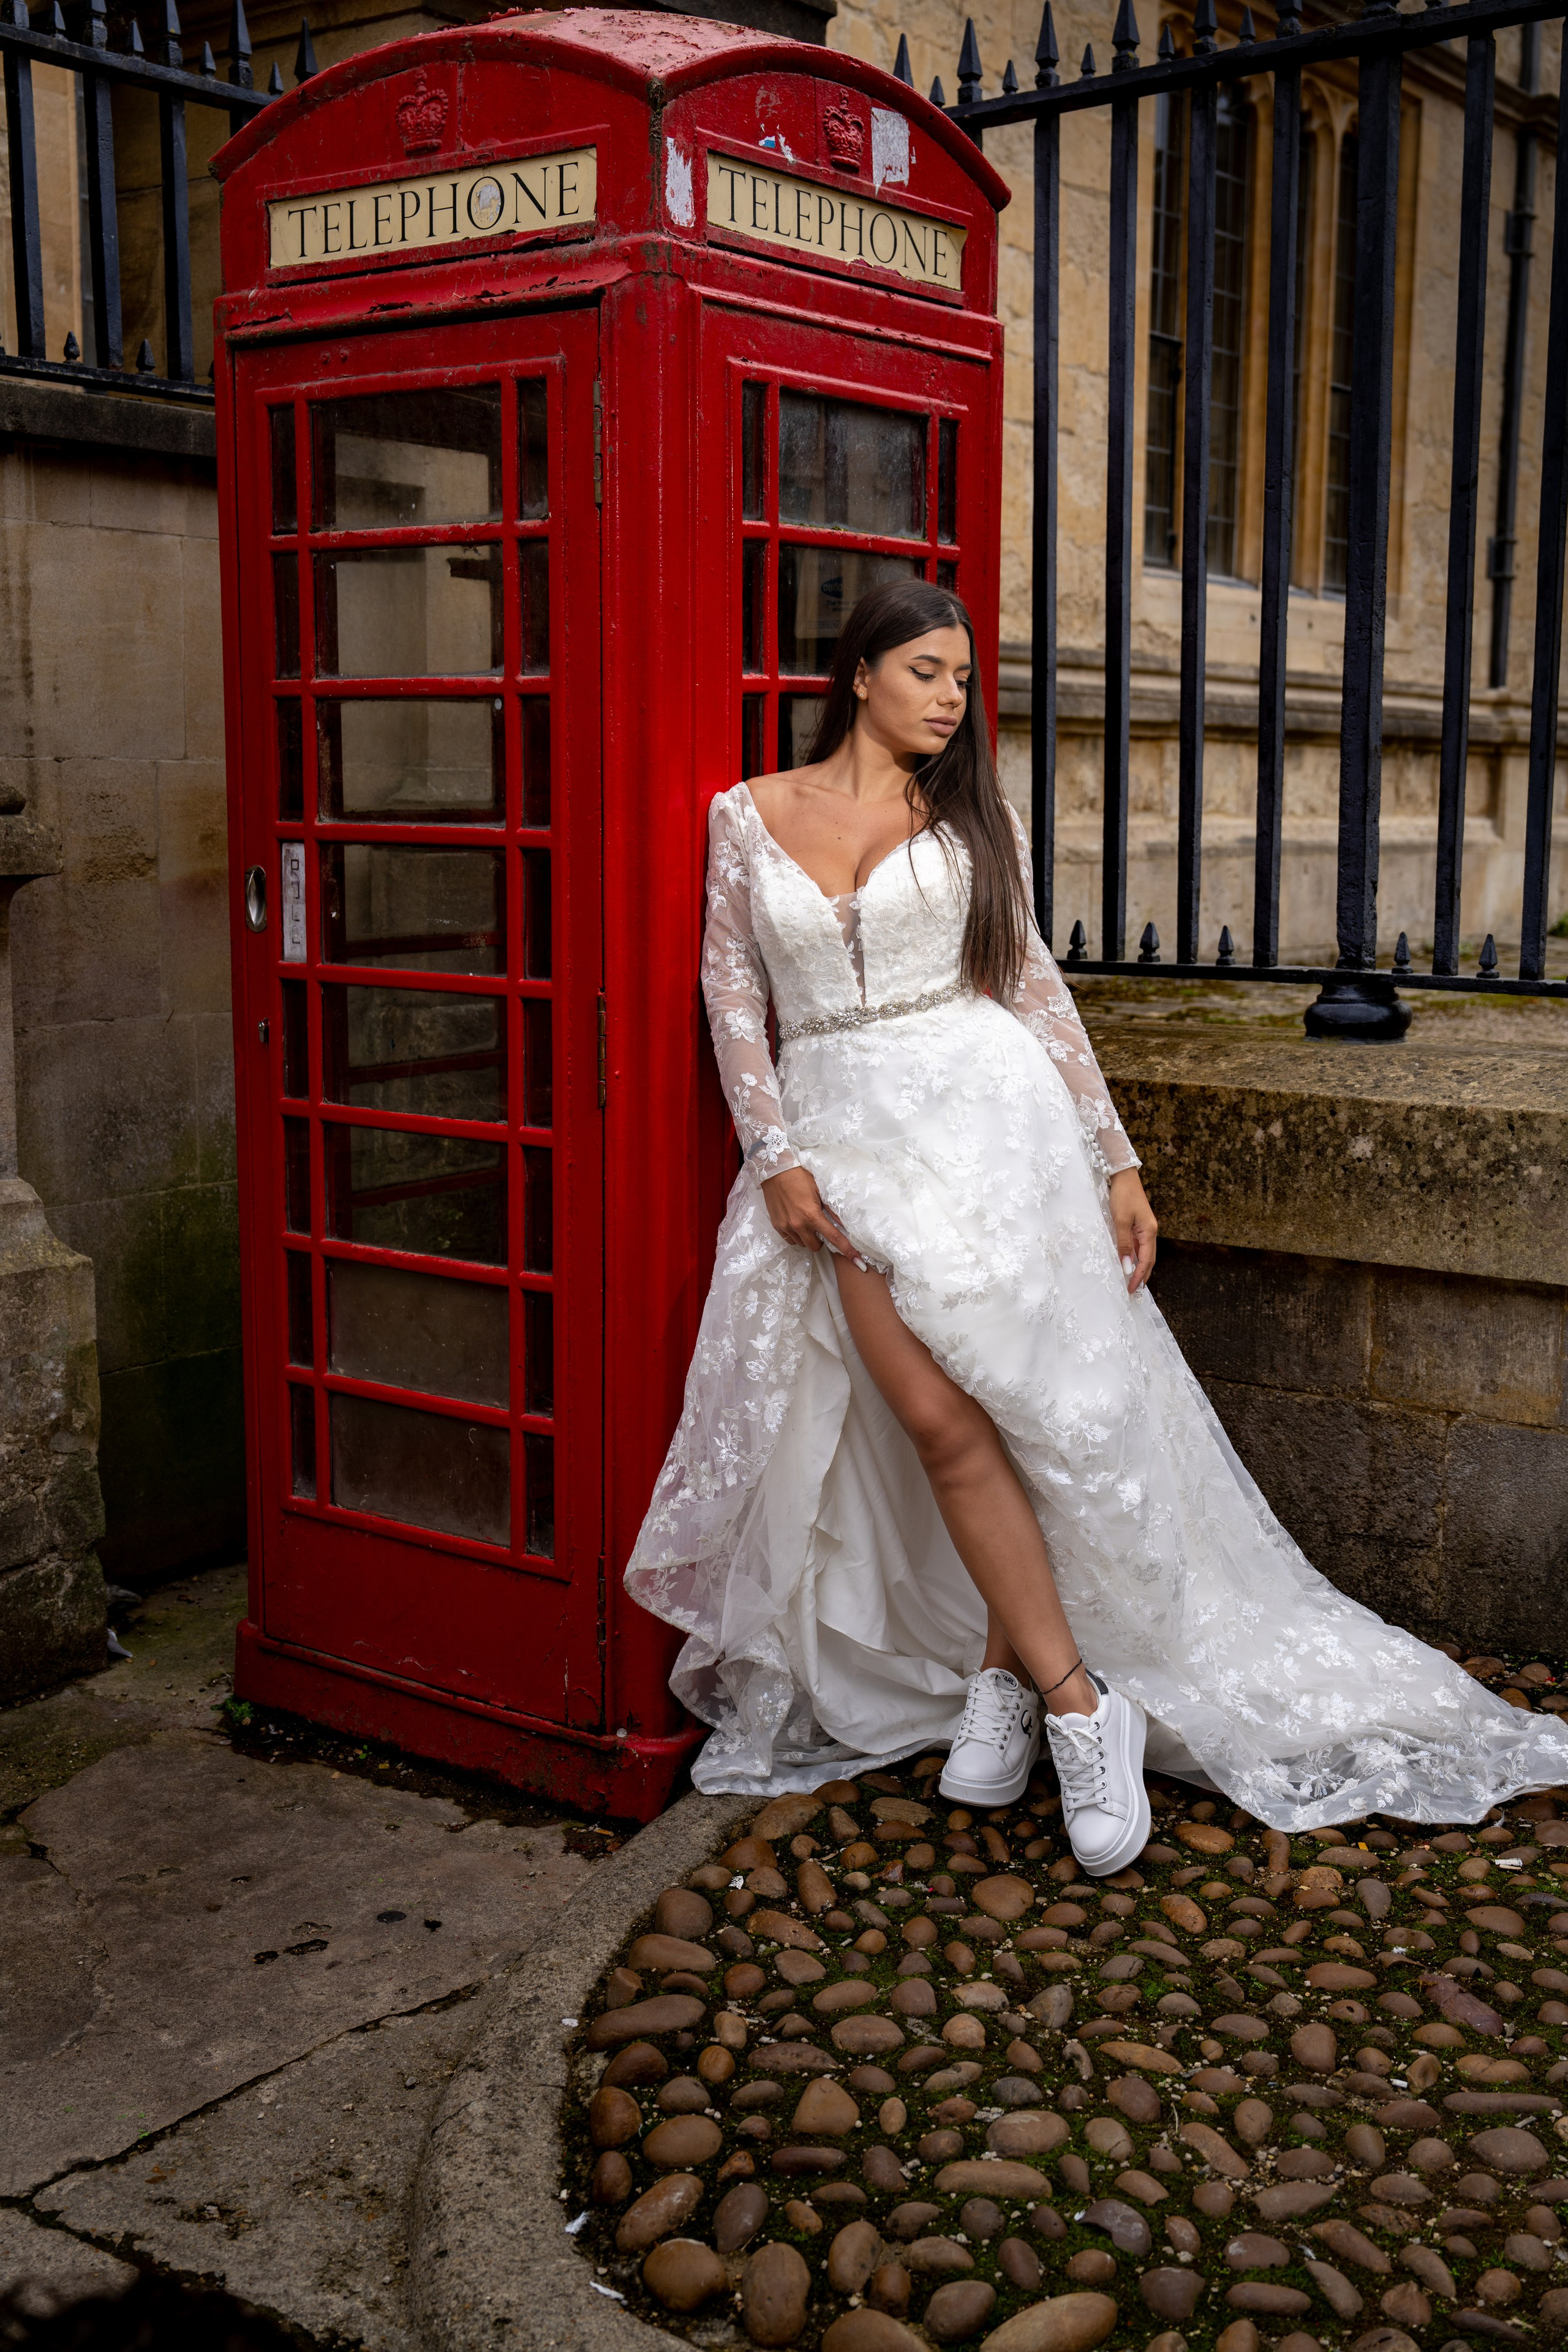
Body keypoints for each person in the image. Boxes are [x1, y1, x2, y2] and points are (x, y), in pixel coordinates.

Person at [625, 579, 1568, 1871]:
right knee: (941, 1421)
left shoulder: (963, 816)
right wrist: (774, 1155)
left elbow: (1033, 992)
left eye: (964, 676)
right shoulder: (747, 817)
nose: (952, 697)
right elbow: (730, 998)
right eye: (928, 672)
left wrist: (1113, 1160)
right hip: (843, 1147)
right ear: (856, 673)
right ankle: (1076, 1700)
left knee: (1041, 1419)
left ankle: (1035, 1693)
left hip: (994, 1135)